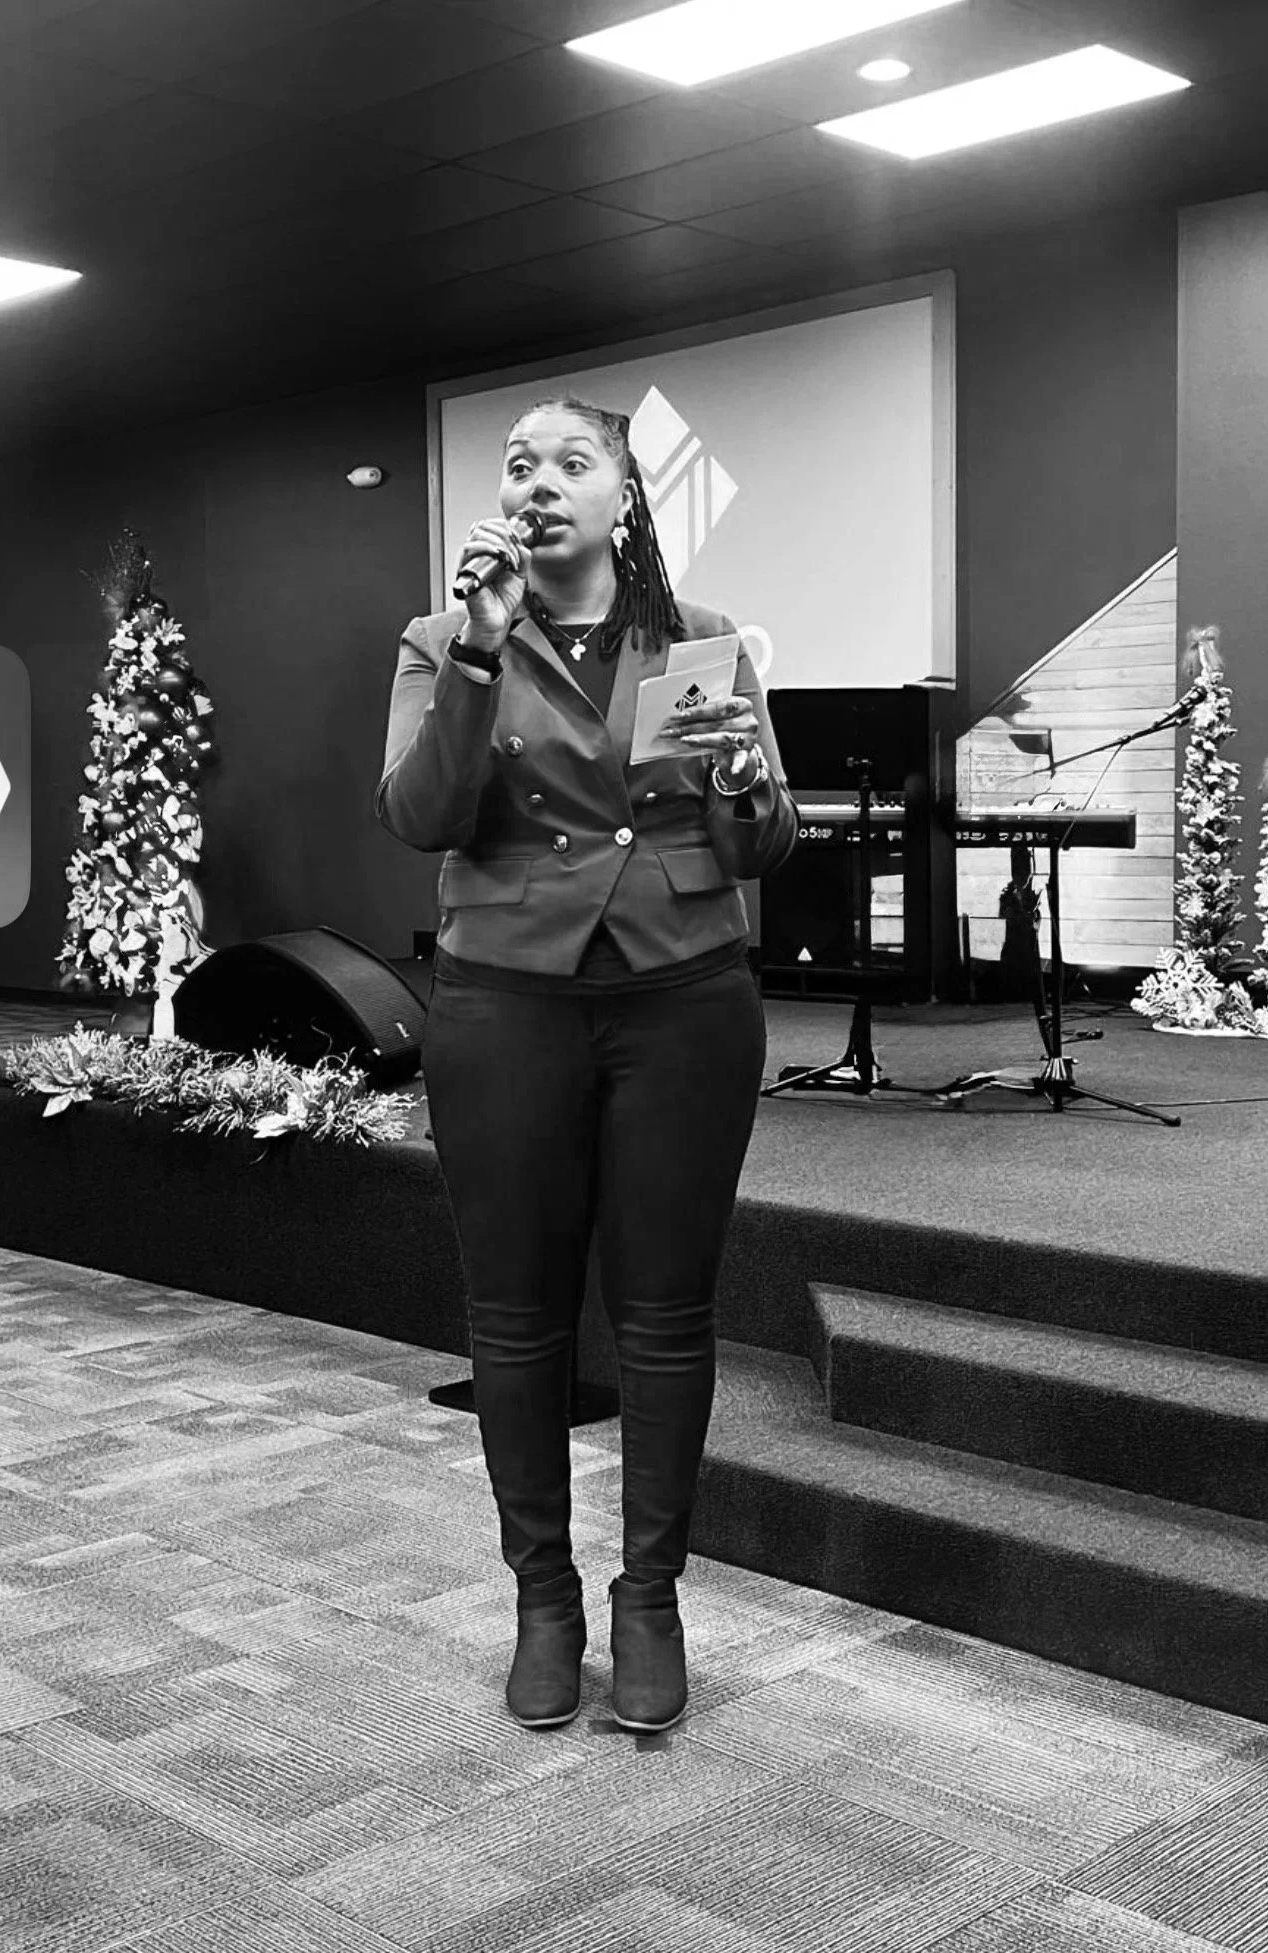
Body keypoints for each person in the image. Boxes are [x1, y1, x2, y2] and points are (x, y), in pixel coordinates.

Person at [374, 396, 798, 1735]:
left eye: (572, 463)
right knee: (516, 1318)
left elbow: (759, 849)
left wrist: (747, 781)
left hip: (685, 999)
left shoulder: (704, 642)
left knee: (666, 1317)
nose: (539, 484)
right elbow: (422, 816)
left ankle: (650, 1598)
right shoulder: (445, 640)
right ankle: (544, 1601)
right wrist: (479, 653)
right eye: (519, 466)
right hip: (507, 1003)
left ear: (626, 498)